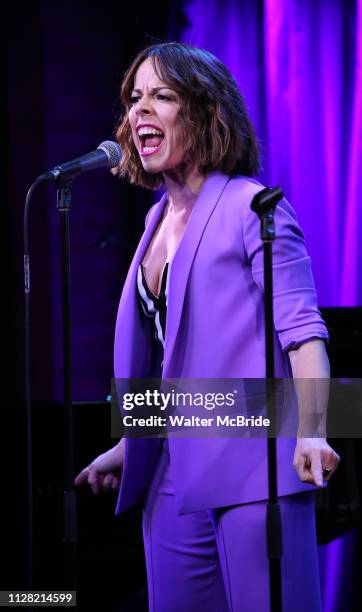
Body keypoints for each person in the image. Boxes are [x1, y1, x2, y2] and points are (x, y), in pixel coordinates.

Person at [74, 42, 340, 611]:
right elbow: (168, 352)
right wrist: (129, 442)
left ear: (201, 110)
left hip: (252, 462)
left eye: (161, 96)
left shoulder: (253, 208)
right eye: (134, 98)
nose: (140, 111)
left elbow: (304, 333)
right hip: (170, 472)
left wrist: (314, 429)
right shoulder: (154, 220)